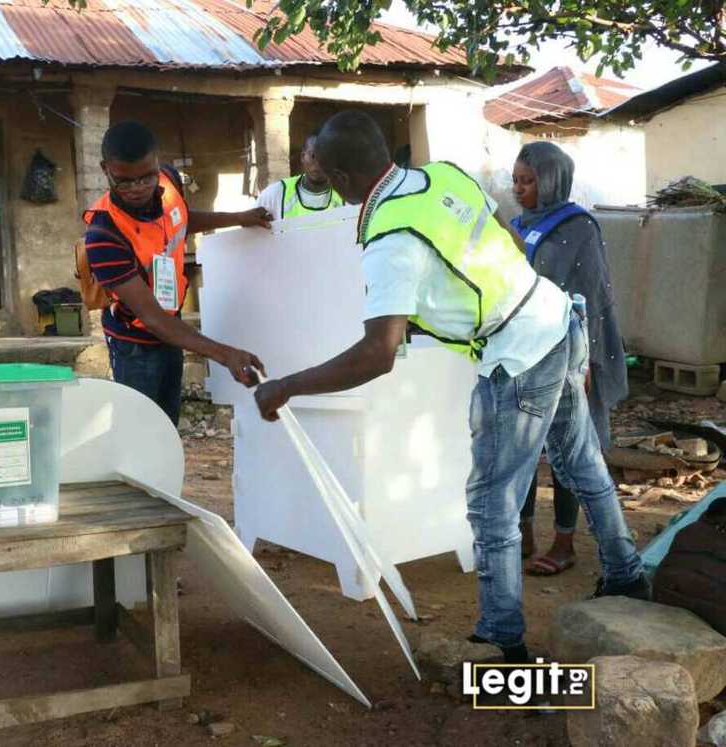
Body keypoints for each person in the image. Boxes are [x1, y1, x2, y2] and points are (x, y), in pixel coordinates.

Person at [253, 111, 648, 662]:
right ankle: (627, 575)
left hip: (517, 356)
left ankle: (502, 640)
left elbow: (378, 353)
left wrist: (286, 387)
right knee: (581, 463)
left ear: (340, 177)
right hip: (556, 320)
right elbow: (508, 240)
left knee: (492, 503)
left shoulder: (390, 237)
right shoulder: (442, 175)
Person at [84, 120, 271, 424]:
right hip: (134, 344)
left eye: (146, 177)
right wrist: (225, 354)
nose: (138, 189)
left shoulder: (169, 181)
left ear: (157, 162)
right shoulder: (104, 235)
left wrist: (238, 218)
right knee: (140, 428)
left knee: (167, 423)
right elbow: (153, 319)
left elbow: (181, 218)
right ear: (106, 170)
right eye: (124, 181)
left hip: (172, 328)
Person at [511, 142, 629, 576]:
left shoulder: (578, 227)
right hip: (522, 349)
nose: (519, 189)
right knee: (520, 445)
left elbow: (593, 295)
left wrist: (588, 362)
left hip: (568, 350)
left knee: (567, 447)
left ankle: (564, 543)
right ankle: (523, 531)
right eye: (515, 181)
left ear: (551, 181)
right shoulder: (516, 227)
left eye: (528, 181)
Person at [254, 131, 346, 219]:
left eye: (325, 156)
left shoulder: (346, 198)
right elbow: (253, 224)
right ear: (302, 157)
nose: (319, 162)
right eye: (313, 156)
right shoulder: (276, 194)